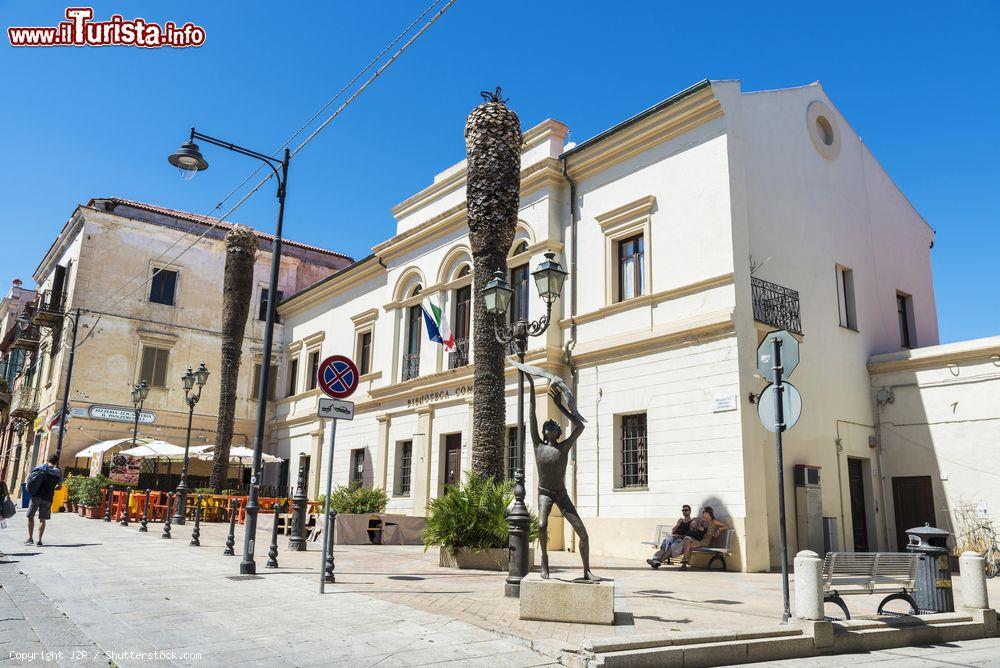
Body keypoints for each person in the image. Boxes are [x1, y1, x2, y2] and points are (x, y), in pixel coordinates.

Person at [525, 372, 598, 582]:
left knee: (582, 533)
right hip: (545, 494)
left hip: (561, 494)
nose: (549, 428)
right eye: (547, 427)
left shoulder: (564, 447)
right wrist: (531, 384)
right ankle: (545, 559)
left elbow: (580, 426)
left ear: (557, 433)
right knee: (541, 525)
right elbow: (531, 413)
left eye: (553, 427)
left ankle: (587, 570)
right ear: (543, 431)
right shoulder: (538, 445)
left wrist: (559, 406)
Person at [25, 454, 62, 547]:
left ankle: (30, 539)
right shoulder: (58, 472)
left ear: (48, 459)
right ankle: (40, 541)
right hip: (48, 498)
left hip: (36, 496)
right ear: (56, 462)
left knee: (30, 516)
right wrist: (51, 488)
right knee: (43, 519)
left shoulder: (40, 467)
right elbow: (59, 487)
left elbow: (30, 480)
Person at [678, 506, 727, 571]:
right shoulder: (703, 521)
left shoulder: (714, 522)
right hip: (699, 539)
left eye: (703, 512)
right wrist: (699, 527)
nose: (702, 514)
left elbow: (726, 526)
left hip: (705, 541)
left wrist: (718, 529)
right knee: (687, 540)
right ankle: (685, 562)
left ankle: (684, 563)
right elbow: (701, 532)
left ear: (707, 513)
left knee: (687, 544)